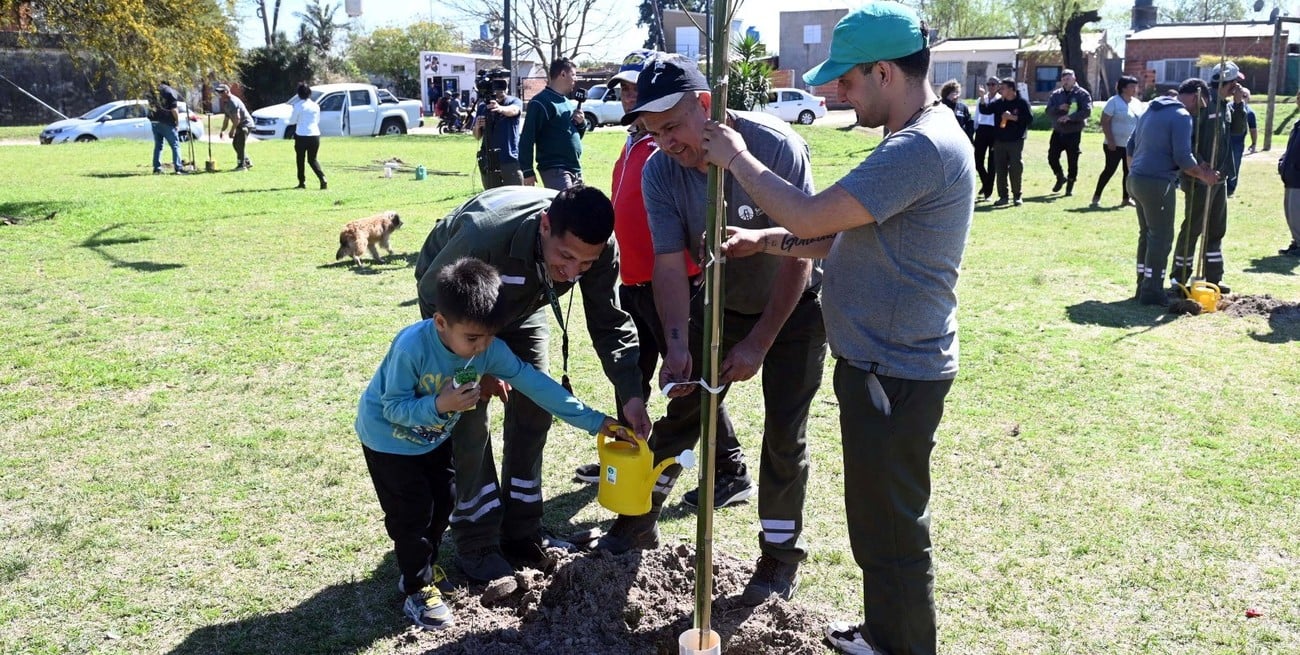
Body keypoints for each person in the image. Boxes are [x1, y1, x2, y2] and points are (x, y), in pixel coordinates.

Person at [697, 3, 972, 652]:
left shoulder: (920, 146)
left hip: (893, 370)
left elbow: (818, 216)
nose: (835, 94)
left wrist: (737, 158)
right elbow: (842, 237)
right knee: (877, 523)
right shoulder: (914, 138)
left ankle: (903, 644)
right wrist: (766, 240)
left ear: (885, 72)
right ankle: (883, 632)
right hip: (880, 365)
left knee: (895, 530)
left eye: (846, 82)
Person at [594, 54, 827, 610]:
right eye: (652, 132)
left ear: (705, 106)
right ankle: (639, 518)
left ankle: (778, 556)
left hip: (794, 308)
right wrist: (676, 343)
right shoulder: (659, 170)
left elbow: (802, 251)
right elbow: (670, 264)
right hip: (719, 301)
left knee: (783, 436)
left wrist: (758, 344)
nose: (665, 143)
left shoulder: (772, 146)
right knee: (684, 410)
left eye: (672, 127)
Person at [357, 256, 627, 630]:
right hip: (389, 442)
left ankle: (422, 566)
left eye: (489, 336)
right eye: (472, 338)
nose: (482, 348)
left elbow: (536, 386)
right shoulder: (412, 348)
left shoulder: (487, 348)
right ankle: (417, 588)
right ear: (441, 323)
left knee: (445, 502)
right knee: (412, 517)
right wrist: (441, 404)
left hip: (432, 441)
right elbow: (392, 407)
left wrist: (597, 422)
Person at [413, 185, 651, 583]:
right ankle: (477, 540)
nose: (573, 272)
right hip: (456, 304)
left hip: (524, 306)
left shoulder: (598, 249)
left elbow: (610, 323)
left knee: (534, 405)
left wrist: (631, 395)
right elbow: (434, 297)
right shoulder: (485, 236)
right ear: (545, 227)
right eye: (566, 257)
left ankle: (523, 530)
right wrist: (477, 364)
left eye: (585, 263)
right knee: (467, 415)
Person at [570, 50, 754, 510]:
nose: (630, 95)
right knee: (634, 373)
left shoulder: (671, 143)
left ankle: (725, 468)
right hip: (632, 277)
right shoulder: (638, 140)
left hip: (667, 281)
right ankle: (633, 449)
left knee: (689, 380)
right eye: (625, 90)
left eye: (635, 87)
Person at [1126, 78, 1221, 306]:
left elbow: (1130, 146)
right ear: (1197, 96)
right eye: (1200, 106)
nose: (1198, 112)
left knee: (1147, 234)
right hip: (1158, 183)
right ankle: (1152, 291)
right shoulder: (1181, 115)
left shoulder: (1151, 110)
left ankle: (1143, 284)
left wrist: (1140, 169)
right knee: (1161, 236)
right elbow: (1182, 157)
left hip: (1135, 179)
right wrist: (1204, 175)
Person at [1172, 62, 1247, 295]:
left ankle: (1214, 277)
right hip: (1199, 179)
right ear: (1230, 82)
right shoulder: (1204, 102)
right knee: (1193, 228)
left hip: (1220, 179)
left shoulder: (1226, 104)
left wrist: (1239, 104)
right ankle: (1179, 279)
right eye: (1237, 83)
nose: (1239, 87)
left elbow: (1237, 131)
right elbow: (1190, 140)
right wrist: (1202, 169)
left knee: (1216, 229)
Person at [519, 58, 589, 190]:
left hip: (575, 168)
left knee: (579, 209)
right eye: (573, 74)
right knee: (566, 208)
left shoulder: (568, 103)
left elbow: (574, 136)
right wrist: (527, 170)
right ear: (563, 74)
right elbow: (527, 137)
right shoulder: (540, 102)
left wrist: (581, 124)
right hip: (555, 169)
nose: (576, 79)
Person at [1090, 75, 1146, 208]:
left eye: (1135, 86)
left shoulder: (1137, 103)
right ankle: (1096, 196)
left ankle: (1126, 198)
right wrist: (1110, 140)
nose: (1135, 89)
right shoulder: (1113, 102)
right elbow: (1105, 121)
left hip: (1131, 146)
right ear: (1123, 88)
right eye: (1132, 86)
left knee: (1129, 172)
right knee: (1109, 170)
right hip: (1114, 145)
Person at [981, 78, 1031, 206]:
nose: (1000, 90)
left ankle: (1017, 196)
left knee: (1015, 168)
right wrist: (982, 97)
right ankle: (1003, 197)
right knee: (1000, 169)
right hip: (999, 141)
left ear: (1011, 89)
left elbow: (1029, 119)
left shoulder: (1022, 103)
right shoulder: (999, 103)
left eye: (1003, 88)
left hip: (1015, 140)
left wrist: (1012, 117)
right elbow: (985, 110)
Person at [472, 68, 525, 189]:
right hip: (488, 160)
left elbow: (514, 110)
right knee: (492, 197)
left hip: (509, 159)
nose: (499, 88)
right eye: (496, 83)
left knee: (515, 197)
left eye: (502, 83)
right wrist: (477, 126)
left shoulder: (514, 101)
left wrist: (500, 108)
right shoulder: (482, 106)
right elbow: (476, 136)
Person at [1045, 68, 1092, 196]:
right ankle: (1060, 177)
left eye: (1068, 79)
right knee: (1052, 157)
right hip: (1058, 130)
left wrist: (1070, 117)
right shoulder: (1056, 94)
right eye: (1064, 79)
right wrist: (1058, 107)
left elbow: (1087, 111)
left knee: (1072, 159)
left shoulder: (1082, 94)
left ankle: (1070, 185)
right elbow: (1048, 111)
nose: (1066, 82)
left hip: (1073, 132)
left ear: (1074, 79)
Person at [288, 82, 327, 190]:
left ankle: (302, 182)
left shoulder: (298, 106)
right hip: (315, 135)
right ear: (309, 93)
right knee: (312, 160)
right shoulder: (316, 106)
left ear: (299, 94)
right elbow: (317, 120)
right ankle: (322, 178)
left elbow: (292, 121)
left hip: (301, 135)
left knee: (300, 159)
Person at [1278, 90, 1300, 256]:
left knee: (1297, 212)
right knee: (1291, 213)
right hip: (1290, 176)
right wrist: (1282, 162)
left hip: (1297, 177)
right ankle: (1296, 241)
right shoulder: (1298, 124)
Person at [150, 80, 186, 175]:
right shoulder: (170, 92)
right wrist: (177, 122)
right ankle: (178, 167)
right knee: (175, 145)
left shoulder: (153, 91)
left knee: (158, 145)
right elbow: (174, 109)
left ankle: (157, 168)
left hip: (154, 121)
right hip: (167, 122)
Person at [214, 83, 253, 171]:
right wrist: (222, 131)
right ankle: (247, 162)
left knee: (239, 144)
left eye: (222, 92)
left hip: (245, 124)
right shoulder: (226, 103)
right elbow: (226, 119)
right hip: (239, 124)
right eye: (219, 92)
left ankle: (241, 166)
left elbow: (237, 118)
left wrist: (232, 131)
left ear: (227, 91)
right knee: (235, 144)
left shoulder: (233, 101)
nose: (220, 94)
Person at [973, 76, 1001, 200]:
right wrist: (975, 129)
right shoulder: (981, 99)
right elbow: (977, 115)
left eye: (993, 84)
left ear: (998, 86)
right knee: (977, 161)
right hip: (982, 130)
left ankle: (988, 192)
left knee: (992, 163)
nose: (991, 86)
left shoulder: (1000, 100)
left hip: (994, 131)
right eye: (989, 84)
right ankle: (986, 183)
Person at [1227, 86, 1258, 197]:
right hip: (1225, 141)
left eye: (1245, 96)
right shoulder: (1227, 107)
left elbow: (1253, 129)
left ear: (1248, 98)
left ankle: (1230, 188)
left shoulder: (1250, 112)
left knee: (1235, 165)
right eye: (1240, 94)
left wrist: (1254, 143)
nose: (1242, 97)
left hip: (1238, 143)